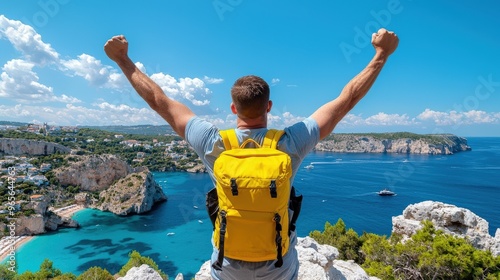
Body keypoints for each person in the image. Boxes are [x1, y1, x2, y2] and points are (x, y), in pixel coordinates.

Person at [104, 28, 399, 280]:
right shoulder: (291, 142)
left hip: (228, 264)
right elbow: (346, 100)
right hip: (278, 266)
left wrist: (123, 59)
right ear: (269, 107)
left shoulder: (213, 142)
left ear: (234, 108)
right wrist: (381, 55)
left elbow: (160, 102)